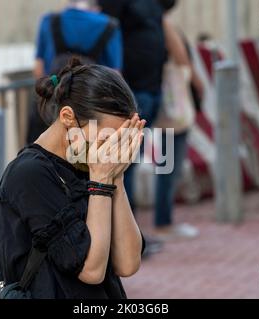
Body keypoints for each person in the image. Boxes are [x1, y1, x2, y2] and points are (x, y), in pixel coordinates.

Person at [0, 58, 145, 299]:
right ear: (67, 117)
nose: (112, 150)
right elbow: (91, 270)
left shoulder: (93, 164)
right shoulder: (30, 174)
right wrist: (101, 182)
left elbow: (128, 263)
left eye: (119, 140)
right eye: (106, 138)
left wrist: (116, 178)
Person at [99, 0, 167, 255]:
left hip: (152, 89)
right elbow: (109, 31)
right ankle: (122, 240)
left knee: (131, 165)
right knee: (122, 166)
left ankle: (130, 236)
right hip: (130, 93)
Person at [27, 0, 123, 143]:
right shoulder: (109, 25)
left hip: (50, 105)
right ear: (95, 7)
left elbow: (39, 70)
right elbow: (115, 76)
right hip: (88, 110)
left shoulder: (49, 20)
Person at [152, 0, 203, 239]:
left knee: (166, 164)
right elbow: (181, 58)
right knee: (168, 165)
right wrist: (198, 83)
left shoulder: (149, 22)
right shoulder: (162, 22)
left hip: (164, 104)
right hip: (172, 107)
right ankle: (163, 222)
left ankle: (164, 219)